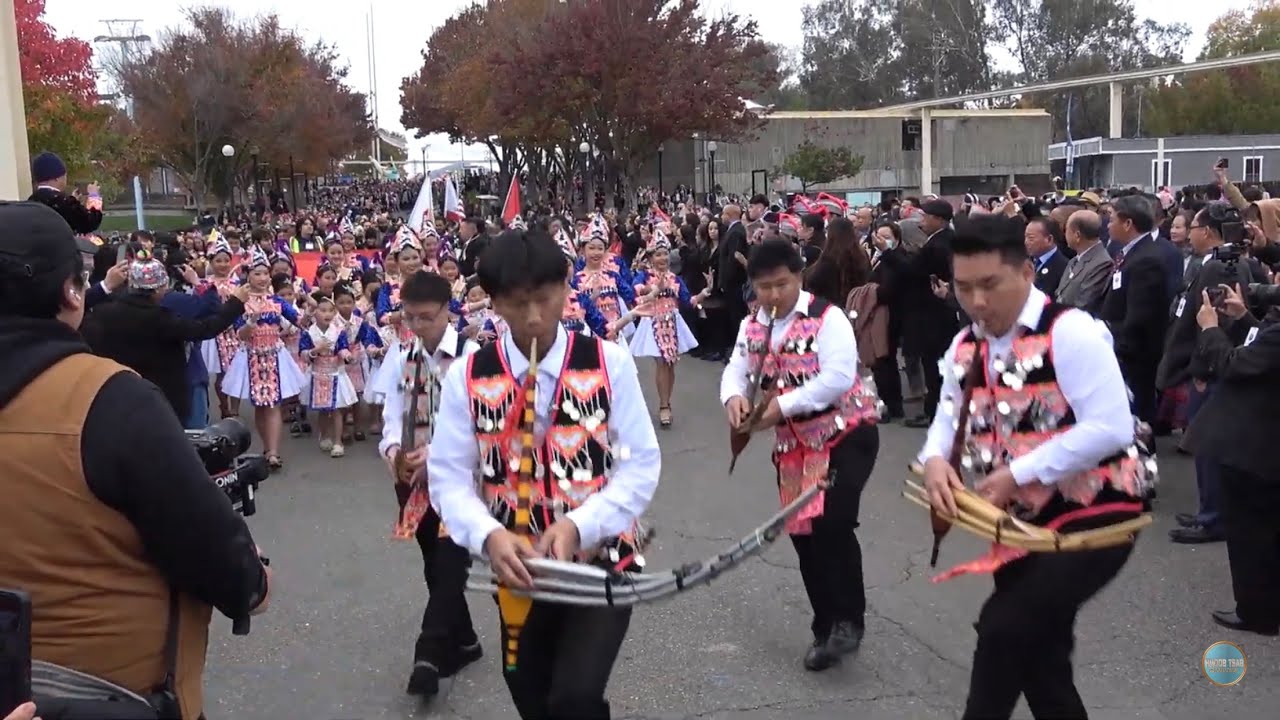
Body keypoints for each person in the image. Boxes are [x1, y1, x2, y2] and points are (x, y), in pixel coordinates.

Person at [0, 201, 271, 720]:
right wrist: (252, 579)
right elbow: (210, 550)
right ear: (71, 292)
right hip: (109, 692)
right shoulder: (108, 400)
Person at [918, 213, 1153, 719]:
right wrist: (936, 460)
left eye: (990, 285)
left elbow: (1110, 426)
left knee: (1004, 629)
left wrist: (1017, 474)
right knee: (1042, 658)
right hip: (1022, 525)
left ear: (1026, 272)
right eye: (963, 288)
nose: (977, 301)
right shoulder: (966, 344)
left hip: (1099, 514)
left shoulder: (1071, 332)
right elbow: (947, 417)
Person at [428, 227, 661, 720]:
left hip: (603, 560)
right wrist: (489, 536)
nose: (533, 318)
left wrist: (581, 524)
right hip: (518, 569)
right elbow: (448, 477)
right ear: (491, 301)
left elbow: (640, 462)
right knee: (533, 699)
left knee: (574, 698)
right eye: (515, 304)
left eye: (545, 299)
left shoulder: (608, 362)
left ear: (567, 286)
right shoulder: (467, 376)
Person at [720, 239, 881, 671]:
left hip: (847, 431)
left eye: (782, 284)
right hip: (794, 444)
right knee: (804, 535)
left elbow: (837, 377)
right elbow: (736, 369)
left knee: (833, 522)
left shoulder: (827, 319)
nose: (774, 295)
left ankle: (849, 620)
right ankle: (825, 626)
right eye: (764, 287)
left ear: (800, 276)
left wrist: (779, 407)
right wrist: (734, 398)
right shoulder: (752, 324)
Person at [379, 270, 483, 698]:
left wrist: (437, 456)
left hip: (461, 479)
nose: (418, 327)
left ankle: (429, 652)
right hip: (412, 480)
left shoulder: (473, 356)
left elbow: (483, 424)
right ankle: (465, 641)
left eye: (426, 318)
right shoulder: (400, 355)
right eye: (410, 318)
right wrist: (392, 452)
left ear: (447, 311)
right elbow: (391, 409)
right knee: (433, 564)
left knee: (449, 563)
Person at [1185, 283, 1280, 636]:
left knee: (1250, 533)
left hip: (1256, 445)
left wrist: (1210, 328)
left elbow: (1233, 363)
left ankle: (1257, 612)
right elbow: (1263, 353)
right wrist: (1244, 320)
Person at [80, 250, 248, 422]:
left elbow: (78, 313)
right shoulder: (162, 319)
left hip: (118, 400)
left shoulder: (104, 314)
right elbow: (206, 328)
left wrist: (104, 287)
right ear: (160, 287)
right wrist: (236, 303)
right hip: (163, 403)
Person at [27, 151, 103, 236]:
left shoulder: (30, 202)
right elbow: (90, 222)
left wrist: (73, 200)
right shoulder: (61, 202)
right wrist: (94, 196)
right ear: (56, 178)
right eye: (64, 175)